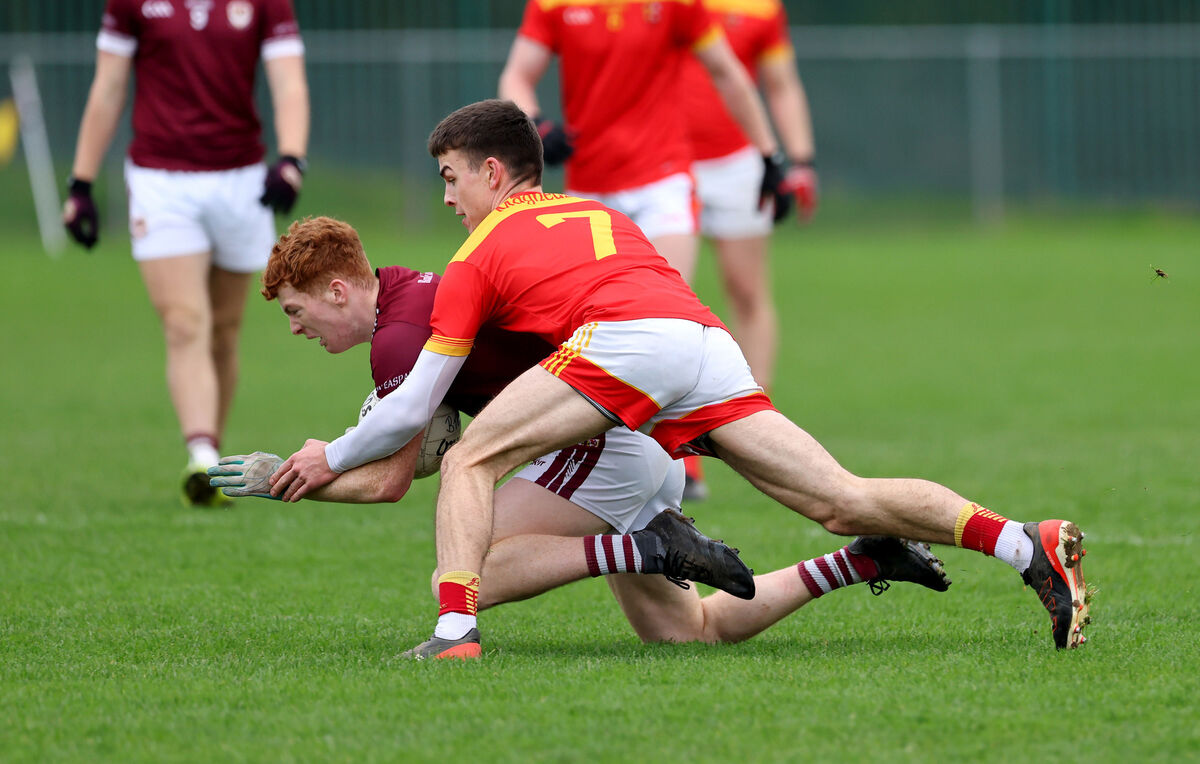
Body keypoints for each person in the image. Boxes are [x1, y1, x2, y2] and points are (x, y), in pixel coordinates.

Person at [269, 100, 1091, 657]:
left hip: (626, 346)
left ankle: (455, 635)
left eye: (450, 178)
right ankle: (1028, 544)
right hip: (701, 342)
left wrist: (329, 457)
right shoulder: (597, 211)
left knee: (470, 461)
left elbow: (414, 403)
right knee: (840, 499)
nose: (446, 198)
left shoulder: (478, 252)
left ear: (493, 172)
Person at [207, 215, 951, 657]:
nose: (298, 327)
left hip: (600, 447)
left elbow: (395, 477)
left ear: (340, 290)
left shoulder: (398, 341)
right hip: (626, 443)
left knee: (458, 578)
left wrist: (295, 475)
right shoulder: (411, 290)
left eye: (297, 310)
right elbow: (406, 444)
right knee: (689, 633)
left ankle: (646, 544)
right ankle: (861, 560)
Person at [497, 0, 796, 500]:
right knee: (584, 324)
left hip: (664, 181)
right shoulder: (552, 6)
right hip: (590, 189)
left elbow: (727, 72)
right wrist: (535, 122)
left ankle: (685, 457)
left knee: (668, 318)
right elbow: (517, 76)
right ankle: (597, 450)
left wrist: (769, 153)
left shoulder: (677, 5)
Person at [62, 0, 310, 507]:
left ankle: (210, 463)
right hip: (160, 182)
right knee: (183, 322)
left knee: (222, 329)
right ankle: (200, 455)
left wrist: (290, 160)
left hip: (242, 180)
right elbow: (108, 88)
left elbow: (288, 82)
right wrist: (81, 182)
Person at [683, 0, 819, 393]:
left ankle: (754, 407)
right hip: (664, 165)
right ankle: (661, 423)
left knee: (747, 291)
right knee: (662, 301)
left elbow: (782, 84)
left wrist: (800, 160)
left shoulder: (762, 8)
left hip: (738, 165)